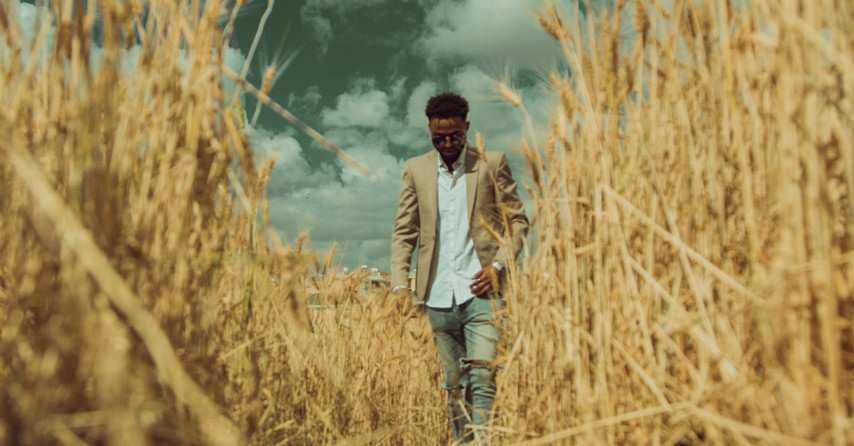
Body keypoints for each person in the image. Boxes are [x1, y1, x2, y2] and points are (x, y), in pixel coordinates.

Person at [390, 92, 529, 443]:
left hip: (483, 297)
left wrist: (498, 264)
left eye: (455, 135)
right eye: (439, 137)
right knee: (454, 387)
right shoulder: (415, 169)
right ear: (430, 131)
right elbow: (404, 231)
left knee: (482, 381)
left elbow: (518, 223)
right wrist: (399, 285)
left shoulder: (492, 162)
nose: (447, 143)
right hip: (436, 299)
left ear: (467, 127)